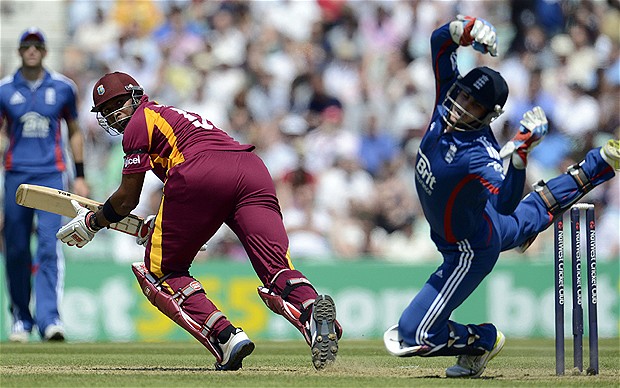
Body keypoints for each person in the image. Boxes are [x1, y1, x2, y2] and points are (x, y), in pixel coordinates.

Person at [55, 71, 342, 371]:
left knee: (160, 270)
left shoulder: (139, 123)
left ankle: (226, 337)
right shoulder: (175, 115)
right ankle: (313, 312)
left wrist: (93, 222)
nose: (114, 115)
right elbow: (204, 186)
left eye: (118, 104)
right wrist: (165, 224)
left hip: (200, 174)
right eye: (105, 111)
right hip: (251, 170)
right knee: (277, 269)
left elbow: (128, 198)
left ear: (137, 97)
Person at [383, 15, 619, 378]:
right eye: (462, 95)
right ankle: (600, 164)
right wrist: (465, 28)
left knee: (414, 335)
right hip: (483, 220)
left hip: (469, 248)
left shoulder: (481, 153)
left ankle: (483, 339)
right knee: (535, 212)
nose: (461, 105)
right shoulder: (445, 102)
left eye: (473, 105)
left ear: (489, 115)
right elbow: (438, 44)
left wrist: (520, 156)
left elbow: (507, 199)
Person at [0, 28, 89, 343]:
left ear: (45, 51)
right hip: (16, 175)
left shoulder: (63, 88)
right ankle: (21, 319)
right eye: (27, 46)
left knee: (50, 246)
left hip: (52, 175)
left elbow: (75, 131)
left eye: (38, 45)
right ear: (20, 51)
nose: (32, 50)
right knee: (16, 249)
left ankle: (50, 319)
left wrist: (79, 175)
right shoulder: (4, 89)